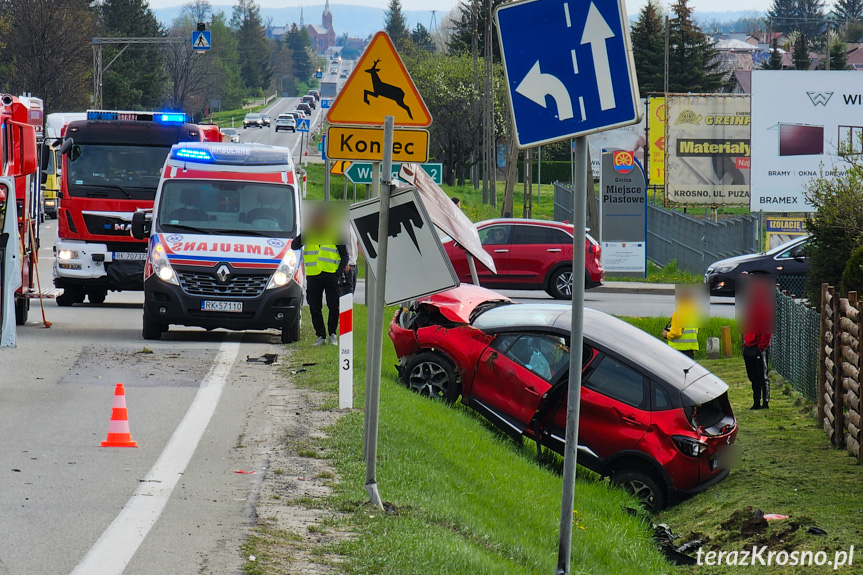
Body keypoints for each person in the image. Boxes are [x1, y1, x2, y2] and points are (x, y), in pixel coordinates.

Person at [292, 210, 348, 346]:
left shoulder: (335, 233)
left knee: (333, 306)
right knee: (314, 307)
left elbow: (345, 256)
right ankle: (320, 335)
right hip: (314, 276)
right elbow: (294, 245)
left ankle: (332, 334)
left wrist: (338, 273)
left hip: (331, 275)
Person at [662, 288, 700, 359]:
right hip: (690, 348)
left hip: (678, 348)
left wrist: (667, 334)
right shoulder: (695, 312)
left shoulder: (679, 312)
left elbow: (676, 333)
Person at [340, 224, 358, 296]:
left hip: (354, 265)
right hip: (347, 266)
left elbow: (357, 245)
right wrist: (345, 264)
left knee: (350, 295)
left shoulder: (353, 225)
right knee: (345, 295)